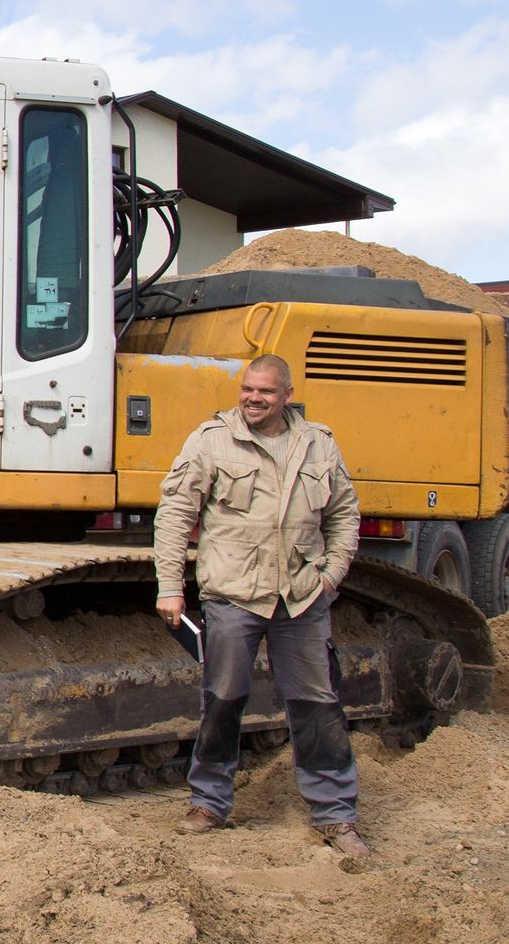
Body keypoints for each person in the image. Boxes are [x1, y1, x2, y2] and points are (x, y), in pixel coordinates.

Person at [152, 353, 368, 859]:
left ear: (287, 395)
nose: (253, 398)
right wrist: (169, 585)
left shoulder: (318, 445)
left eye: (265, 392)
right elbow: (175, 513)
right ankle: (208, 802)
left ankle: (336, 813)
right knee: (222, 699)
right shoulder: (211, 441)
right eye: (247, 389)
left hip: (302, 597)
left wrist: (330, 576)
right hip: (233, 594)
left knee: (318, 704)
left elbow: (344, 516)